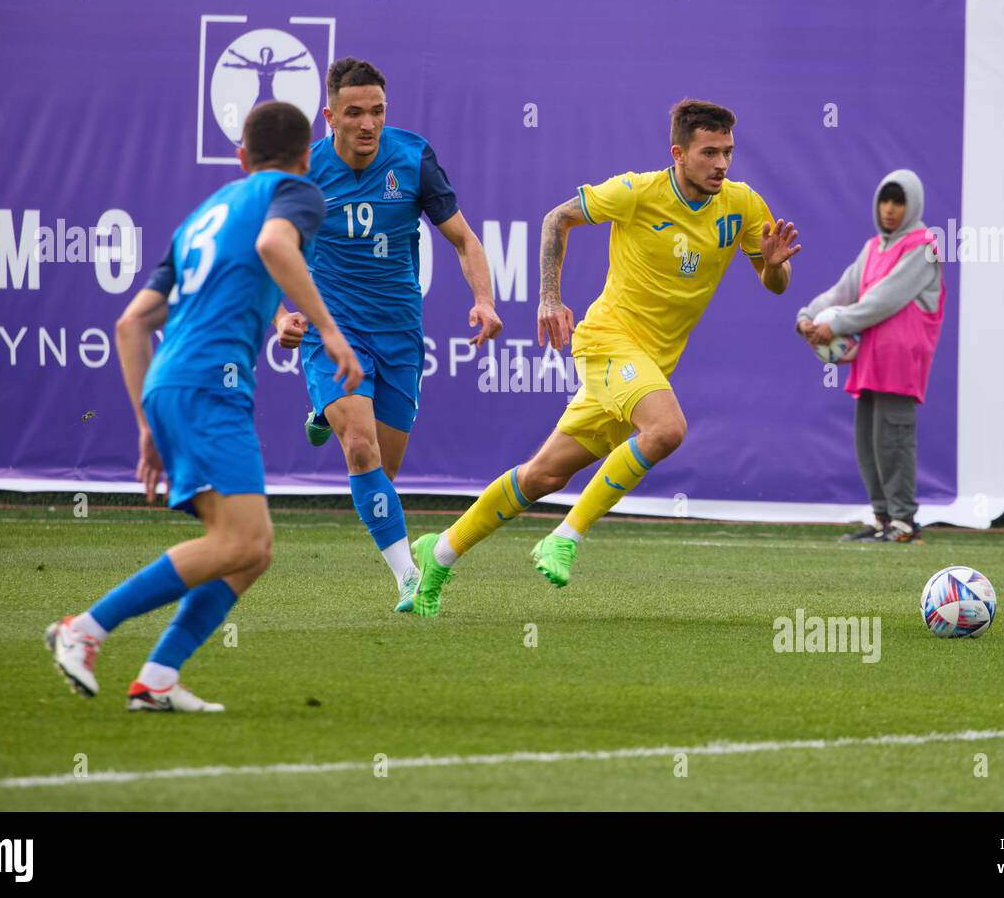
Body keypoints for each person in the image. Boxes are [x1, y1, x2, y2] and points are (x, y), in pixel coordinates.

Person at [407, 99, 800, 616]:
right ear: (678, 153)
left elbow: (775, 285)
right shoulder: (637, 191)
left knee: (543, 476)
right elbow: (557, 219)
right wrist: (549, 297)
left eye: (727, 152)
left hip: (648, 365)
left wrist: (772, 267)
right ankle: (564, 537)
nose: (721, 164)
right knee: (667, 429)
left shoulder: (742, 204)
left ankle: (437, 554)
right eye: (709, 153)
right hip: (607, 342)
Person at [45, 101, 362, 712]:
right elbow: (275, 244)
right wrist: (330, 330)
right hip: (208, 386)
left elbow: (131, 322)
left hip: (173, 386)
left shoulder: (203, 215)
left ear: (241, 157)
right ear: (305, 158)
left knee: (253, 548)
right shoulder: (297, 191)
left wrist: (144, 421)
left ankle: (158, 677)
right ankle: (83, 629)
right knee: (239, 542)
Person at [272, 58, 503, 613]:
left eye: (377, 111)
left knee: (385, 470)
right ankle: (408, 579)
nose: (367, 123)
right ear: (329, 116)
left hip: (399, 331)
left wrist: (484, 301)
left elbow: (465, 241)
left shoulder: (414, 158)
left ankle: (324, 411)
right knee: (359, 447)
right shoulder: (303, 172)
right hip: (333, 331)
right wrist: (283, 317)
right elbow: (277, 257)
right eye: (354, 113)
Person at [796, 169, 944, 544]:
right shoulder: (873, 247)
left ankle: (904, 522)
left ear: (912, 206)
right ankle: (882, 518)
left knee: (893, 439)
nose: (890, 209)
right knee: (868, 441)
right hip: (870, 360)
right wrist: (808, 315)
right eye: (885, 201)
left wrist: (838, 324)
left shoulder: (924, 245)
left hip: (901, 360)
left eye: (898, 202)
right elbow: (843, 290)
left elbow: (885, 299)